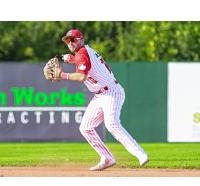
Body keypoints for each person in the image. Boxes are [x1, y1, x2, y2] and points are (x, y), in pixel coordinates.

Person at [60, 29, 149, 171]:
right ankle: (107, 158)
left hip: (111, 92)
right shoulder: (82, 53)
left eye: (73, 39)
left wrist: (62, 75)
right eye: (67, 40)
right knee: (85, 128)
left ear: (80, 39)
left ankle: (140, 154)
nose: (70, 43)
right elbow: (84, 63)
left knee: (112, 123)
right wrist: (72, 59)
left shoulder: (82, 53)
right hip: (100, 95)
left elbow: (81, 77)